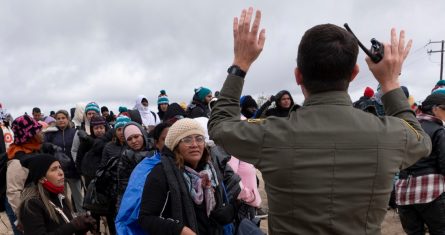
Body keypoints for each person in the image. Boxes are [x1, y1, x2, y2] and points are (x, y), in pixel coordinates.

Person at [208, 8, 431, 234]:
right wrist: (390, 81)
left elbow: (219, 126)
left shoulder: (271, 133)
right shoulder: (389, 134)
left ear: (298, 76)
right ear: (354, 73)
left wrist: (240, 63)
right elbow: (421, 140)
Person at [138, 118, 235, 234]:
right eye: (187, 140)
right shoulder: (162, 173)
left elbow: (226, 201)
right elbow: (146, 218)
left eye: (199, 139)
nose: (194, 144)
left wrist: (228, 212)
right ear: (175, 145)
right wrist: (179, 230)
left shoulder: (210, 170)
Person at [395, 92, 445, 234]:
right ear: (435, 109)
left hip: (403, 192)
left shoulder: (406, 128)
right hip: (431, 192)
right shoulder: (439, 130)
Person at [18, 154, 96, 234]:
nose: (61, 173)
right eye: (54, 169)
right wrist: (73, 225)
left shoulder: (60, 197)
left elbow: (64, 227)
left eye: (60, 167)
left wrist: (82, 227)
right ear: (41, 179)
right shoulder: (31, 204)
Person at [44, 110, 83, 213]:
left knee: (78, 197)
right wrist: (50, 146)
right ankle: (66, 217)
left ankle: (83, 218)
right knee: (61, 197)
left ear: (68, 119)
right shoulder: (51, 133)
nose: (61, 120)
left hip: (73, 170)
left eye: (63, 118)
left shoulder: (74, 132)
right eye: (58, 118)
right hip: (58, 170)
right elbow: (43, 145)